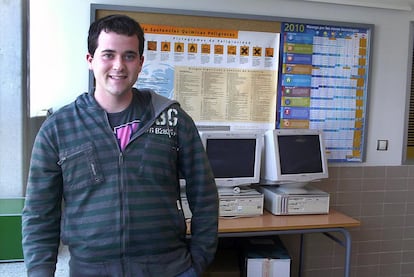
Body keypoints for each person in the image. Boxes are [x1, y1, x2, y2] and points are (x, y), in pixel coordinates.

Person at [22, 14, 219, 277]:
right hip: (91, 271)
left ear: (140, 63)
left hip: (169, 268)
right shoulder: (59, 127)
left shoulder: (172, 119)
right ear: (90, 61)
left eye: (128, 56)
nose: (118, 66)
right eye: (108, 55)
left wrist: (199, 261)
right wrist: (39, 272)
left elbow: (204, 195)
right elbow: (39, 213)